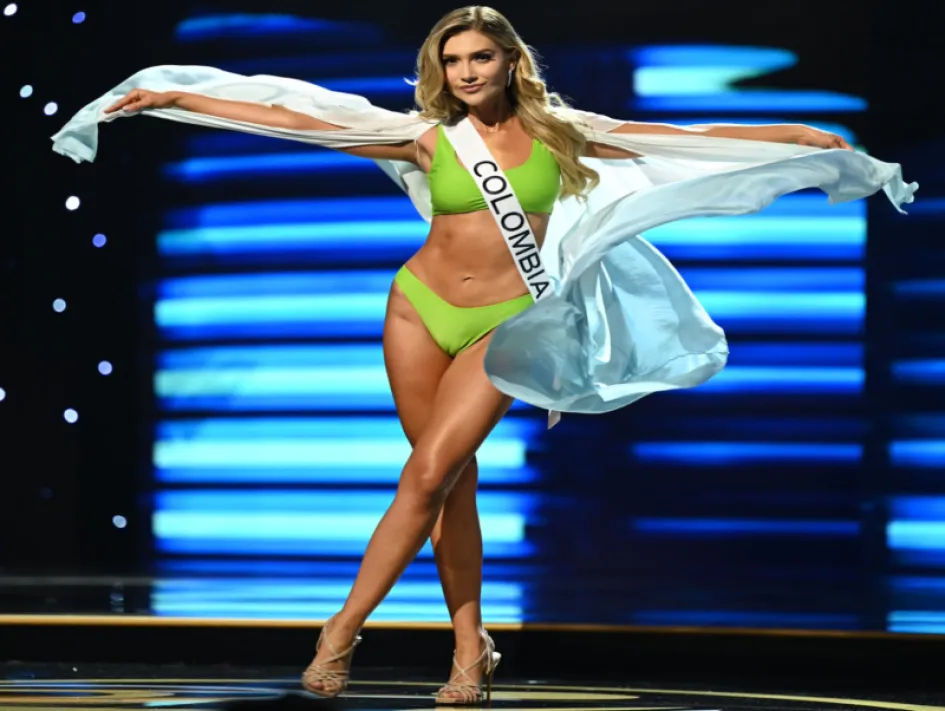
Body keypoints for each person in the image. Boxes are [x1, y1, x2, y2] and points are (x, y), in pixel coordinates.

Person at [55, 5, 915, 706]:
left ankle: (338, 634)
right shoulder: (427, 138)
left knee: (428, 475)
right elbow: (292, 120)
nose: (466, 72)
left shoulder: (565, 135)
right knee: (447, 481)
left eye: (479, 58)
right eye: (452, 60)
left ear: (509, 62)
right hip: (417, 310)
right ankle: (471, 647)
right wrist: (178, 99)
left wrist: (798, 137)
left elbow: (676, 138)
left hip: (505, 323)